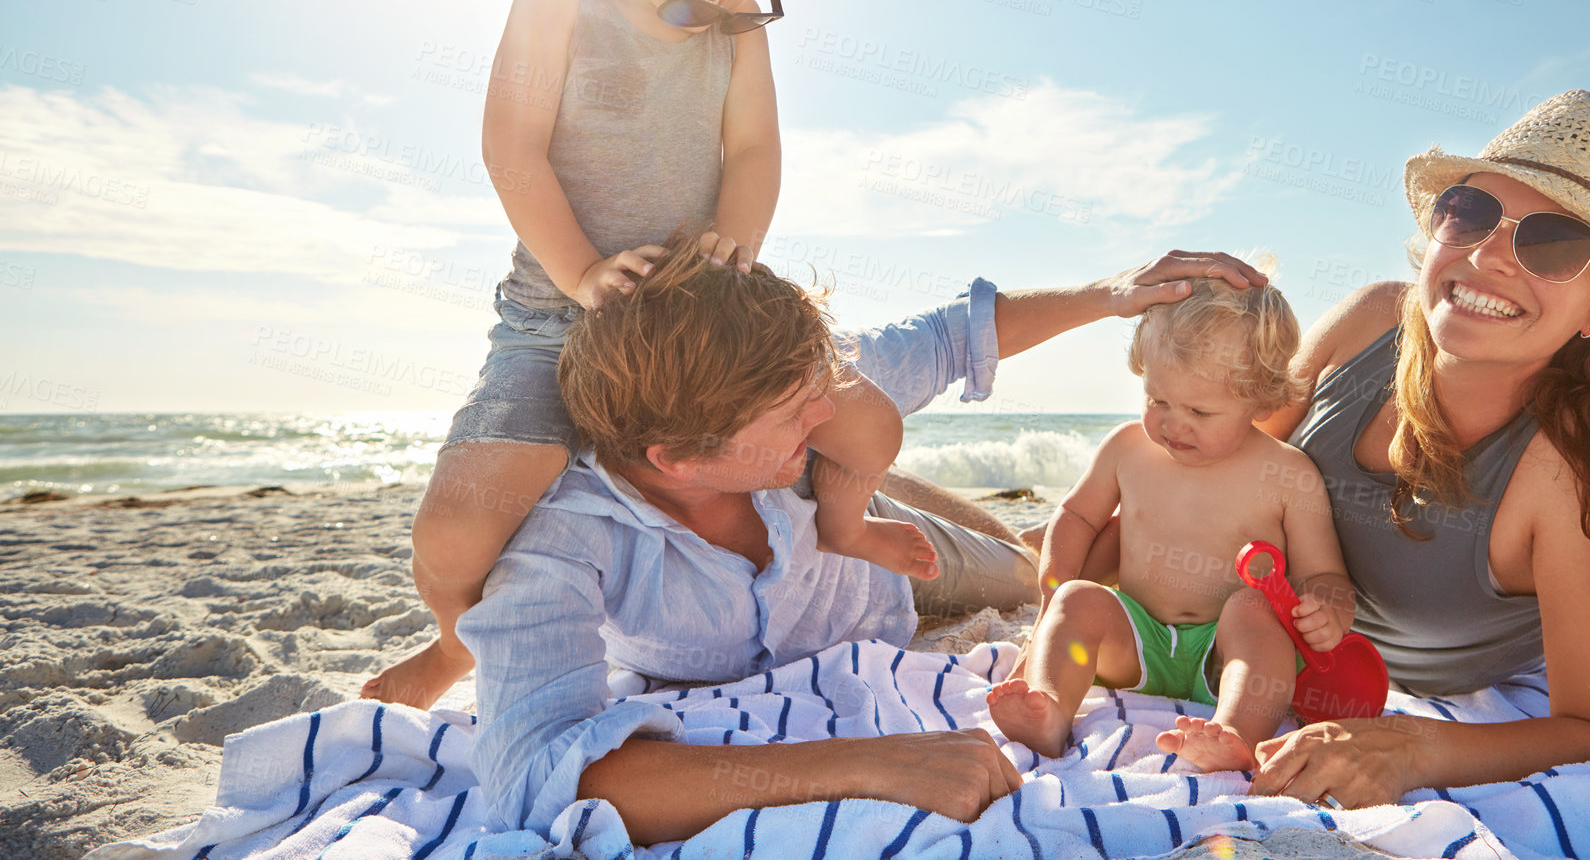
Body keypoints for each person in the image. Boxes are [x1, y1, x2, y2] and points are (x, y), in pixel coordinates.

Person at [363, 0, 927, 707]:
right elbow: (513, 145)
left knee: (866, 423)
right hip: (561, 313)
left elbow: (752, 151)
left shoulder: (739, 31)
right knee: (457, 533)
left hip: (705, 300)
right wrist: (583, 272)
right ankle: (461, 643)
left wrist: (730, 253)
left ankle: (843, 528)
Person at [458, 236, 1257, 843]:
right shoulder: (559, 538)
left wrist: (1113, 293)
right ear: (679, 459)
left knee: (1022, 574)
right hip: (859, 554)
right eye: (794, 416)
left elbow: (953, 335)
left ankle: (1006, 527)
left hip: (889, 564)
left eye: (820, 396)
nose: (824, 415)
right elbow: (533, 776)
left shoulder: (802, 386)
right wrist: (868, 763)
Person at [1120, 91, 1590, 807]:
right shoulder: (1371, 321)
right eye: (1469, 213)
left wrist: (1414, 746)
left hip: (1392, 688)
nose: (1489, 254)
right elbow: (1224, 450)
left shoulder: (1584, 473)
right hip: (1222, 626)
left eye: (1553, 243)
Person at [988, 279, 1354, 767]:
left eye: (1199, 411)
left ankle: (1235, 733)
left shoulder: (1287, 474)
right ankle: (1050, 710)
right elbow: (1076, 514)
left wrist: (1328, 612)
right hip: (1135, 641)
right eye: (1157, 400)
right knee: (1078, 599)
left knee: (1253, 606)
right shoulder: (1127, 450)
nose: (1172, 424)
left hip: (1227, 654)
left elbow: (1324, 574)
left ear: (1263, 402)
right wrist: (1055, 582)